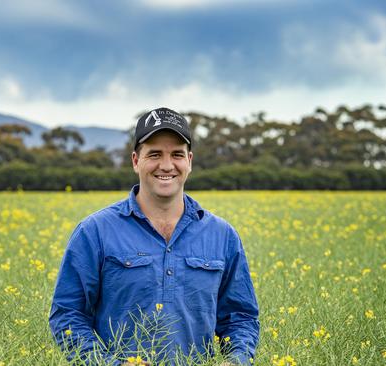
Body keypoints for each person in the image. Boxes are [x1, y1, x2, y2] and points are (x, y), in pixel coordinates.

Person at [49, 107, 259, 365]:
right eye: (155, 154)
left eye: (177, 155)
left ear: (189, 161)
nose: (167, 165)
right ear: (136, 160)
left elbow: (240, 318)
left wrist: (235, 361)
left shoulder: (222, 235)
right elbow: (68, 315)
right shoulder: (94, 232)